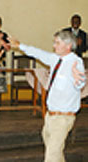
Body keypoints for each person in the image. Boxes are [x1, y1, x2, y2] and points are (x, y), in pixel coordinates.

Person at [9, 30, 86, 162]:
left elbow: (80, 82)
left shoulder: (75, 62)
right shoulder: (55, 59)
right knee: (55, 152)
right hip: (51, 116)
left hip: (63, 117)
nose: (54, 46)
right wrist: (19, 45)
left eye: (57, 43)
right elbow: (38, 53)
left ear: (68, 46)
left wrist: (79, 80)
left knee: (52, 155)